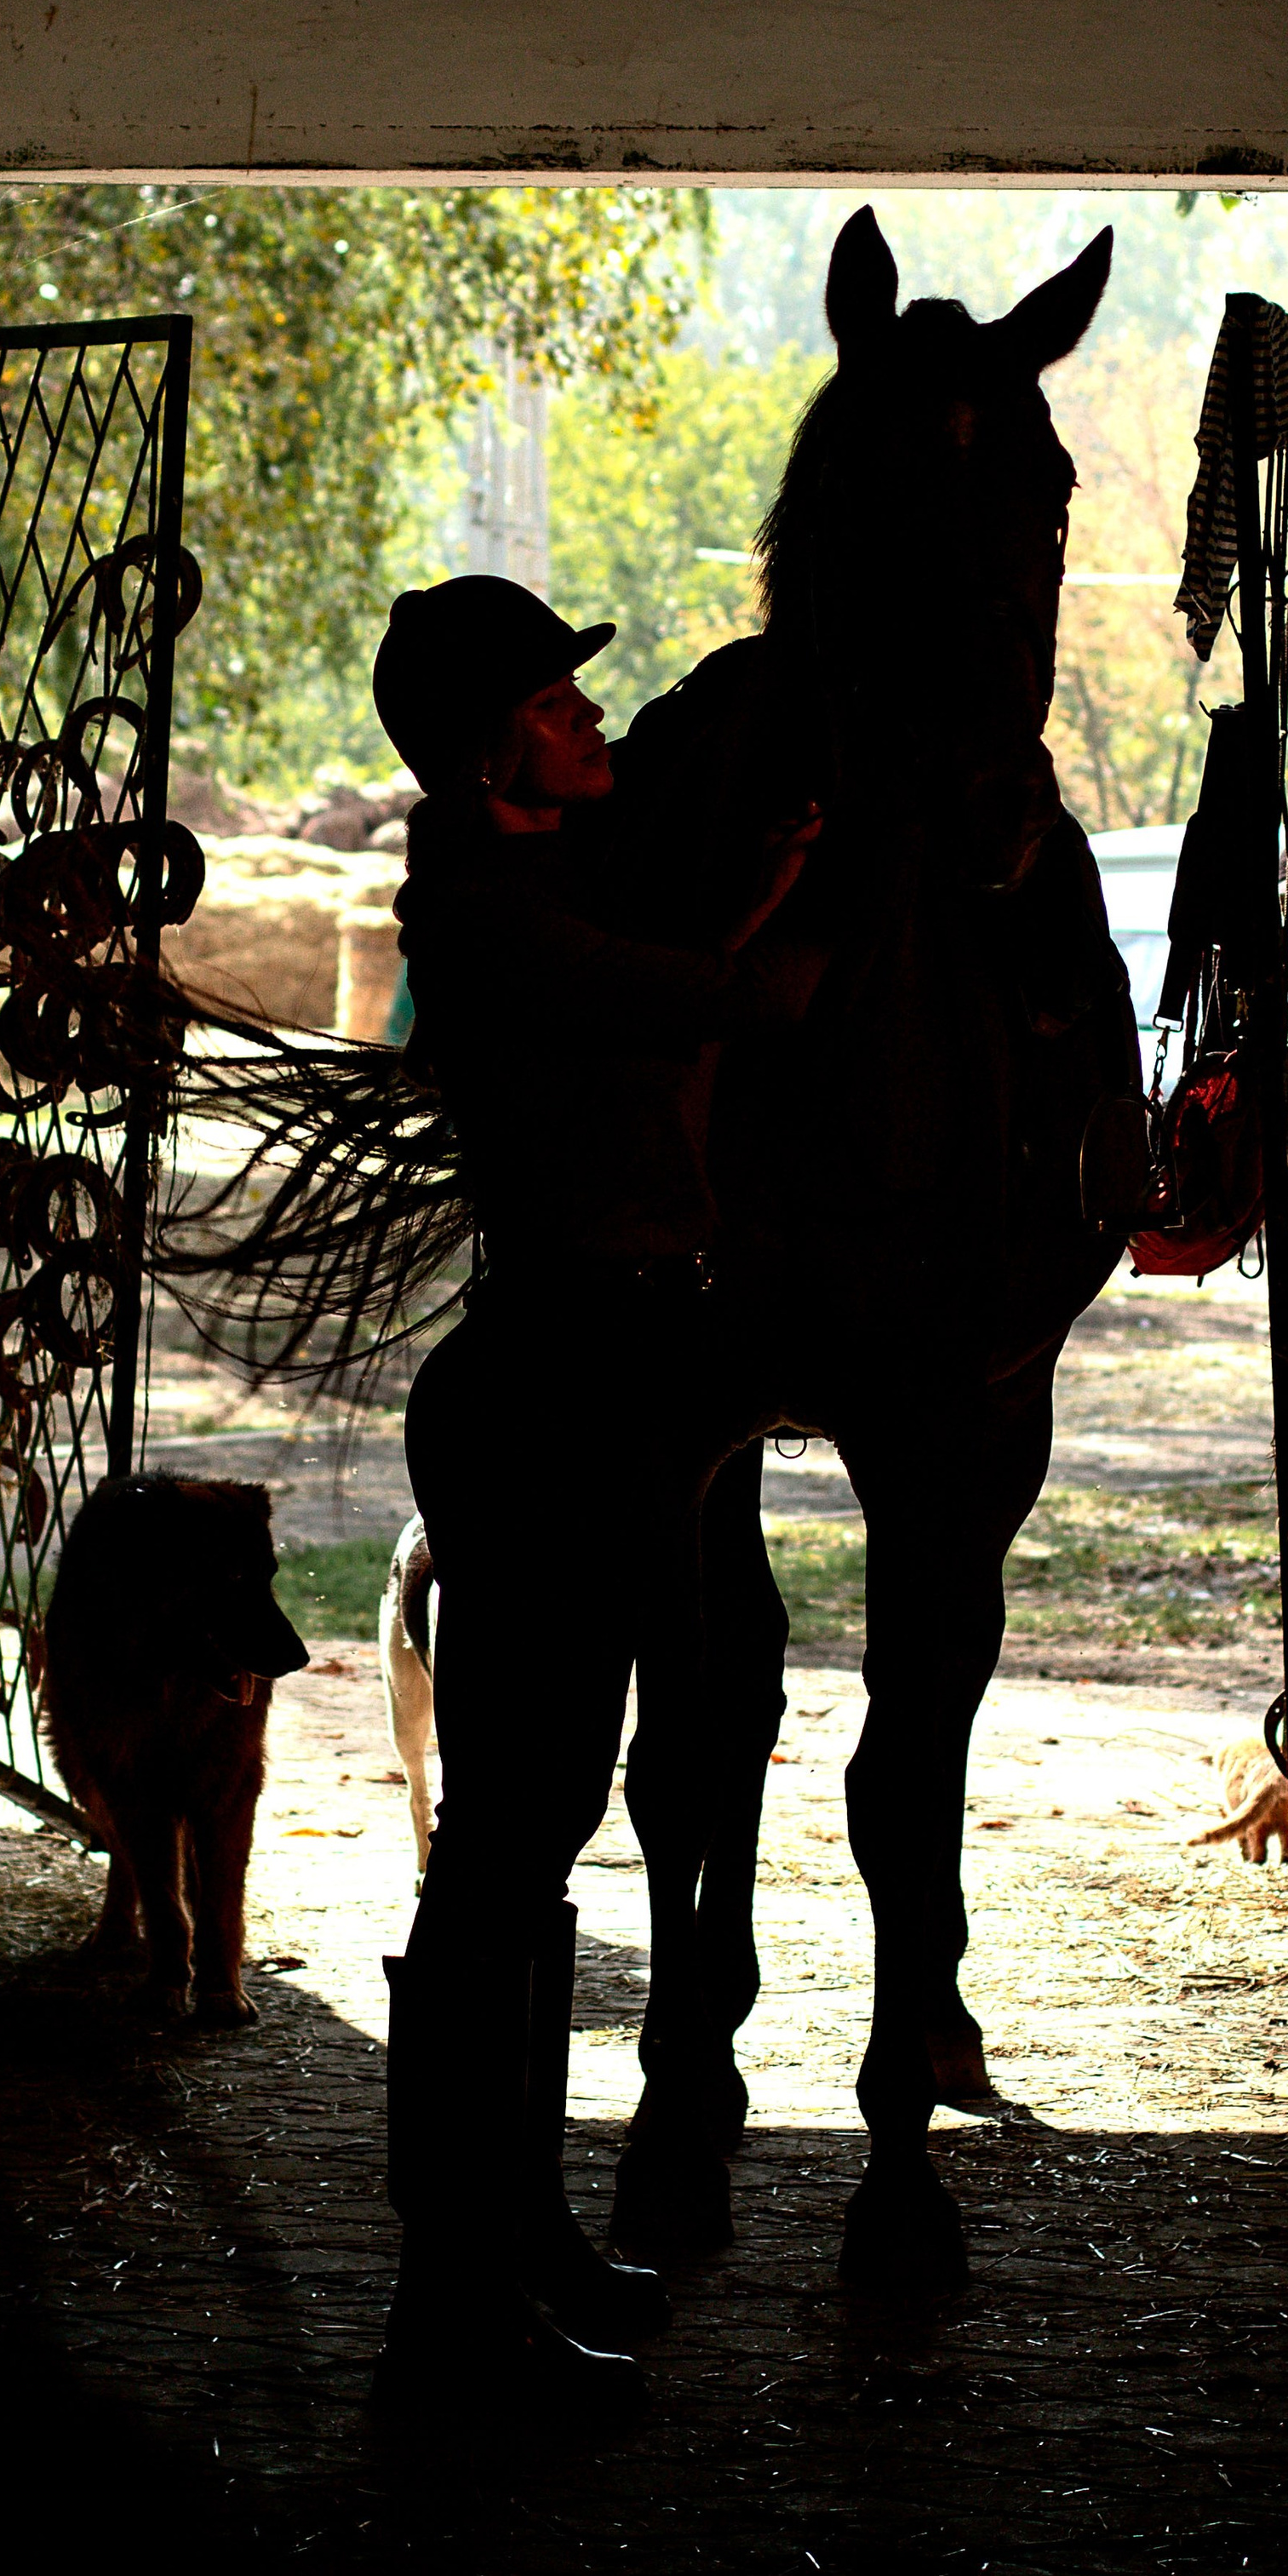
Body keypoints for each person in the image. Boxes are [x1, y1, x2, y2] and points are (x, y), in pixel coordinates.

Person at [370, 573, 818, 2407]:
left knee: (531, 1845)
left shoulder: (541, 885)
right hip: (547, 1396)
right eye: (557, 703)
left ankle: (519, 2237)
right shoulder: (485, 918)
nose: (589, 719)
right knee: (501, 1851)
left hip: (607, 1382)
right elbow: (729, 999)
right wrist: (772, 928)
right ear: (493, 753)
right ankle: (449, 2303)